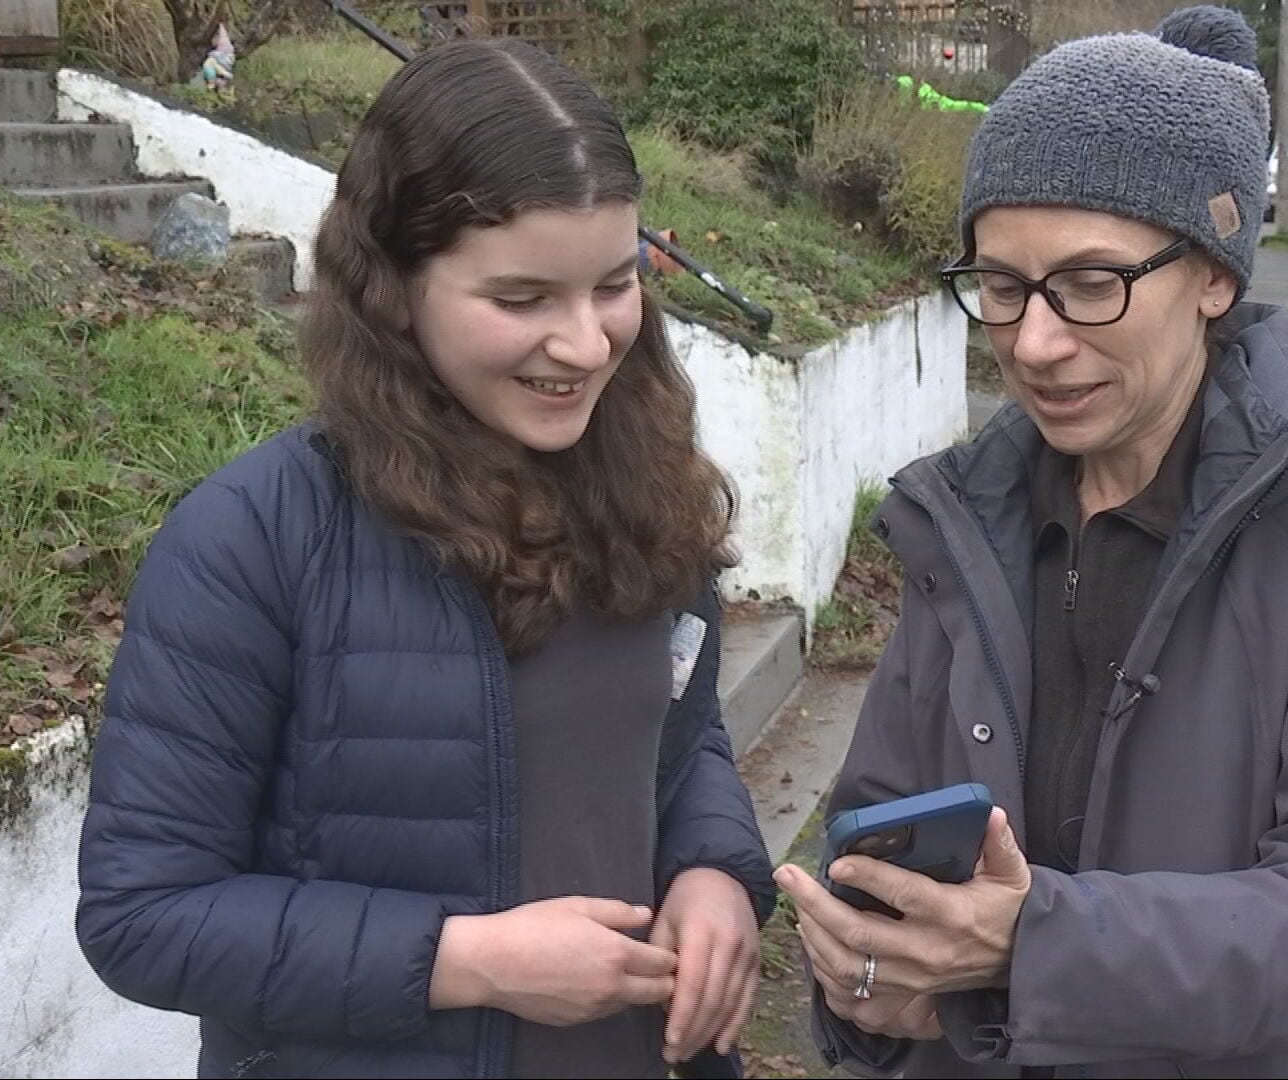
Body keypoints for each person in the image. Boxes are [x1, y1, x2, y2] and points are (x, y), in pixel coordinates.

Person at [774, 7, 1288, 1078]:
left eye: (1091, 284)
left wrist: (1027, 949)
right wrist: (871, 973)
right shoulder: (966, 514)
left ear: (1213, 277)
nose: (1036, 343)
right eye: (1001, 287)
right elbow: (882, 822)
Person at [76, 39, 775, 1079]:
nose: (586, 344)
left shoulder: (644, 490)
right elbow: (143, 913)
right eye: (523, 299)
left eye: (614, 286)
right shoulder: (256, 539)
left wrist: (716, 871)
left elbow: (677, 734)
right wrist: (472, 961)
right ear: (395, 287)